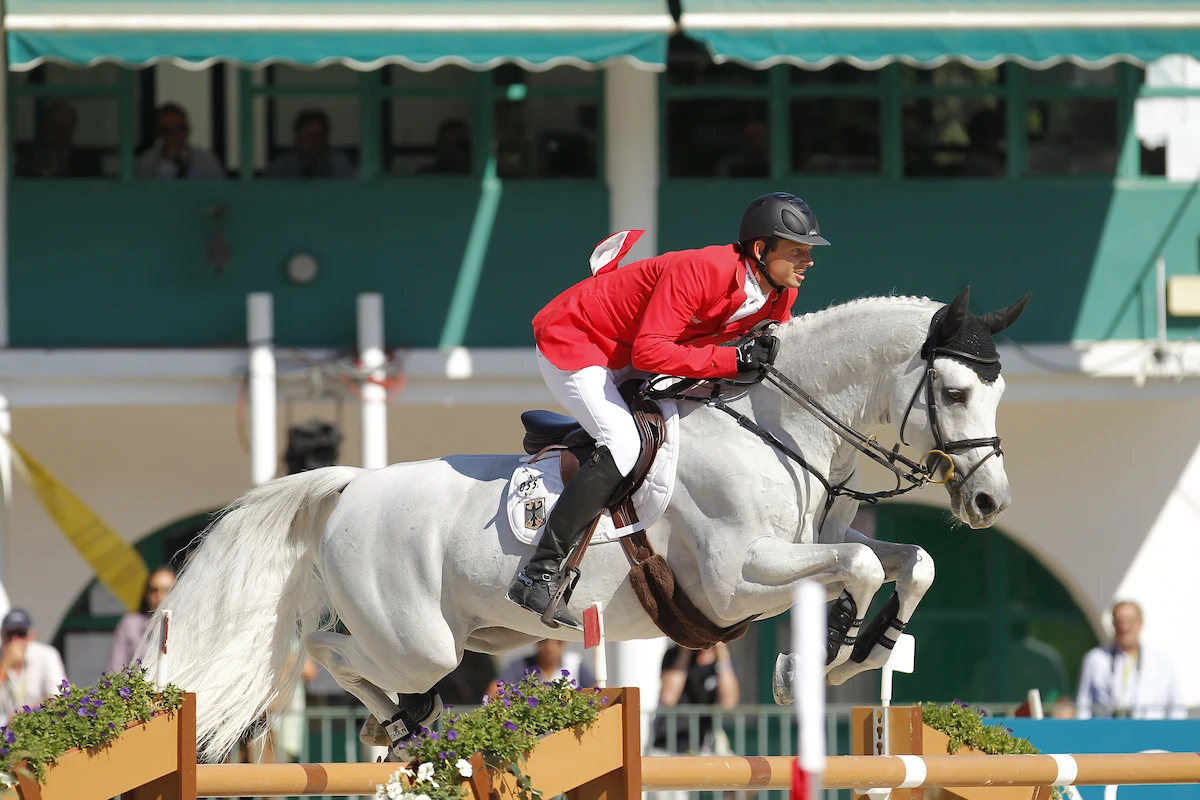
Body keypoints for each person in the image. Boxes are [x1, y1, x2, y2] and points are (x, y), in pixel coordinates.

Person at [508, 192, 830, 629]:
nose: (808, 260)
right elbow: (653, 349)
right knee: (624, 443)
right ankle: (538, 572)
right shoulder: (703, 270)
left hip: (630, 354)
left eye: (809, 250)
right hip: (578, 340)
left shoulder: (778, 296)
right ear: (760, 250)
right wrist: (731, 362)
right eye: (797, 250)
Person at [1076, 600, 1186, 719]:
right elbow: (1083, 706)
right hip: (1108, 732)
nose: (1124, 627)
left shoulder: (1161, 662)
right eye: (1119, 621)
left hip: (1151, 733)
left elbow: (1176, 709)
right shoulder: (1096, 659)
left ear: (1140, 623)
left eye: (1130, 621)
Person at [0, 609, 67, 726]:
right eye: (10, 635)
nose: (15, 640)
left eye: (21, 634)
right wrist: (5, 666)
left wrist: (25, 713)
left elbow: (59, 698)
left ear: (31, 635)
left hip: (40, 729)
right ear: (2, 635)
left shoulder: (46, 655)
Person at [107, 565, 177, 674]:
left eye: (166, 590)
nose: (159, 595)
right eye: (154, 590)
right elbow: (115, 668)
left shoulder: (186, 624)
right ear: (146, 593)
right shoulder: (130, 623)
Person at [135, 103, 226, 179]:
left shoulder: (206, 161)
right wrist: (167, 161)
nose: (174, 135)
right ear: (159, 133)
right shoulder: (146, 161)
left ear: (188, 130)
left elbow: (219, 195)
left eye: (179, 129)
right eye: (167, 130)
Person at [486, 639, 594, 698]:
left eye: (558, 641)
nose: (551, 647)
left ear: (565, 641)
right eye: (544, 641)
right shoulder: (521, 665)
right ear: (536, 641)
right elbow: (493, 692)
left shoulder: (574, 663)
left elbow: (597, 693)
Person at [265, 109, 356, 179]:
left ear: (326, 138)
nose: (313, 141)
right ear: (298, 138)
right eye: (307, 136)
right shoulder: (281, 167)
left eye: (318, 136)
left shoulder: (340, 165)